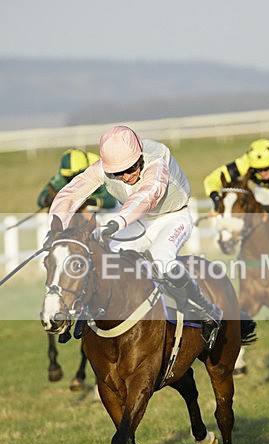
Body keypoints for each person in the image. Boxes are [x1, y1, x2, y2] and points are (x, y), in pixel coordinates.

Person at [48, 125, 222, 347]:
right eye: (117, 173)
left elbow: (147, 195)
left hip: (173, 217)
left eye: (129, 169)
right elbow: (71, 193)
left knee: (161, 259)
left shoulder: (158, 157)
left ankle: (205, 309)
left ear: (139, 156)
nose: (126, 176)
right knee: (107, 255)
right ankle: (88, 310)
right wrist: (56, 230)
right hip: (138, 220)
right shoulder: (103, 167)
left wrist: (116, 222)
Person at [37, 148, 117, 211]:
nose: (72, 181)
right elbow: (41, 198)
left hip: (107, 212)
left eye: (73, 177)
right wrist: (46, 200)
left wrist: (87, 202)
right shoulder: (65, 174)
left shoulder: (101, 171)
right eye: (68, 178)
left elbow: (111, 202)